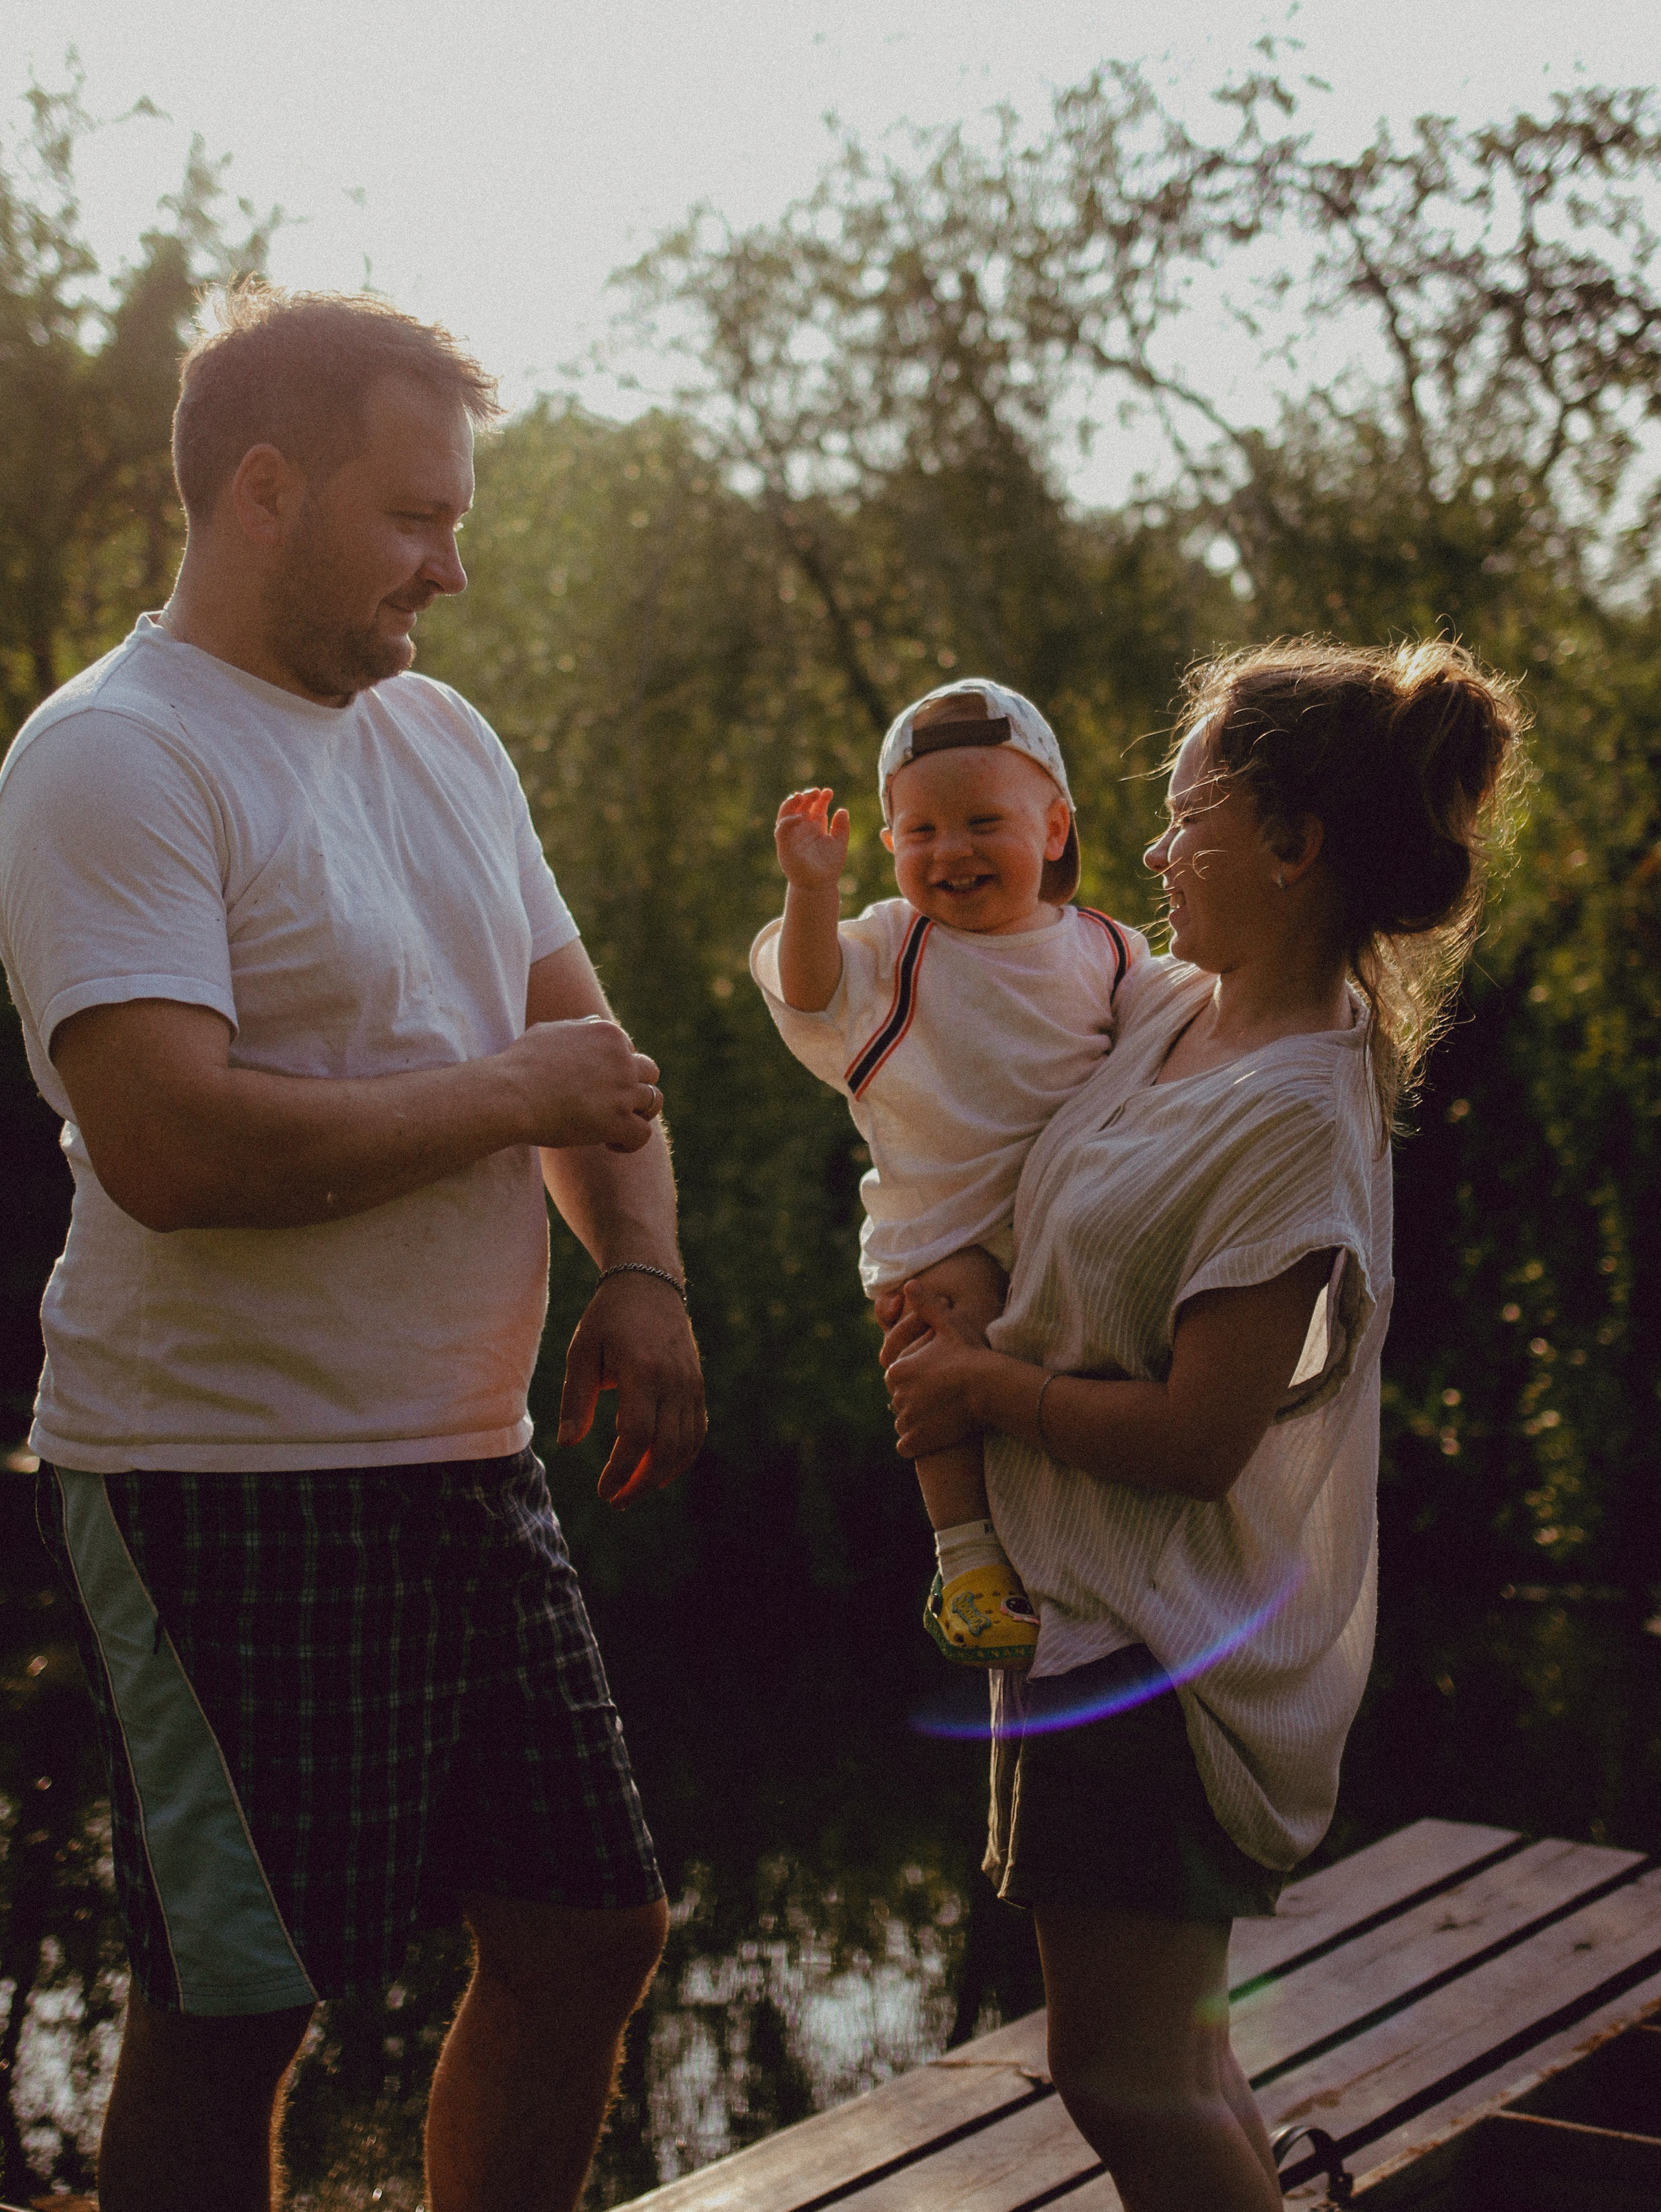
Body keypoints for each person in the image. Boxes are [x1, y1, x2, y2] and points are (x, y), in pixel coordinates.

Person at [0, 284, 705, 2212]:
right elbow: (166, 1141)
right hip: (217, 1475)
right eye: (413, 517)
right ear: (260, 490)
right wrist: (502, 1098)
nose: (452, 567)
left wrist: (638, 1271)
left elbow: (595, 1067)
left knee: (593, 1928)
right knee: (239, 2005)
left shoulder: (446, 740)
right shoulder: (113, 756)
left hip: (465, 1458)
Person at [883, 640, 1522, 2212]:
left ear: (1294, 846)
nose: (1155, 850)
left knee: (1121, 2072)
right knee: (1187, 2062)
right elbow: (985, 1014)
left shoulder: (1294, 1110)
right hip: (1089, 1630)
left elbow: (1195, 1437)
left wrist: (980, 1391)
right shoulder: (1178, 1014)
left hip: (1159, 1668)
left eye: (1187, 817)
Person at [751, 680, 1145, 1665]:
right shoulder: (895, 945)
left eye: (982, 823)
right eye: (920, 832)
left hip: (1071, 1228)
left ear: (1054, 827)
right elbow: (809, 991)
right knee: (941, 1352)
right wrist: (811, 892)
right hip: (948, 1235)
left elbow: (1186, 1036)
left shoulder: (1105, 948)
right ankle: (964, 1564)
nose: (952, 851)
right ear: (888, 846)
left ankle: (1119, 1551)